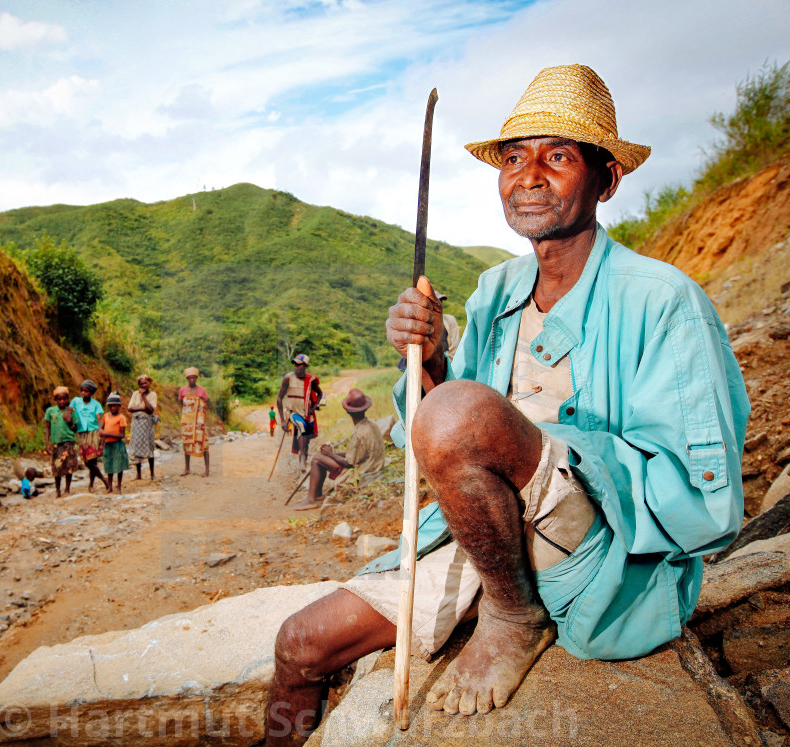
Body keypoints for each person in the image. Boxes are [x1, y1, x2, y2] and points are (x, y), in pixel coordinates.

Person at [265, 64, 749, 744]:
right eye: (514, 158)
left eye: (559, 156)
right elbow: (433, 437)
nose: (529, 175)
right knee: (299, 644)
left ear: (606, 179)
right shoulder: (496, 291)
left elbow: (709, 507)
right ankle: (502, 595)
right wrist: (429, 358)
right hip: (488, 541)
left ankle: (516, 617)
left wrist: (549, 454)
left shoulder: (665, 303)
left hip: (597, 552)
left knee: (464, 411)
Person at [292, 388, 385, 511]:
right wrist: (331, 454)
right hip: (372, 467)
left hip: (362, 472)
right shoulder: (372, 425)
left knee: (316, 459)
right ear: (365, 408)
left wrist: (329, 454)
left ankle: (311, 499)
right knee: (322, 457)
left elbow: (349, 463)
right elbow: (357, 453)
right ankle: (317, 494)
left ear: (348, 412)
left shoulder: (359, 433)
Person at [277, 354, 322, 471]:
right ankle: (302, 457)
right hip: (293, 412)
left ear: (305, 366)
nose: (296, 367)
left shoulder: (311, 380)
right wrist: (282, 421)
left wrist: (314, 407)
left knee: (306, 440)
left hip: (307, 413)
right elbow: (279, 398)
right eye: (295, 364)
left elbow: (320, 394)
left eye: (299, 364)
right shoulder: (288, 378)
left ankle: (304, 457)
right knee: (301, 426)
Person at [71, 380, 111, 493]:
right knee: (89, 461)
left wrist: (101, 430)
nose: (83, 393)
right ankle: (91, 485)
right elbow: (70, 412)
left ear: (91, 393)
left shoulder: (96, 404)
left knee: (90, 460)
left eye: (86, 391)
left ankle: (104, 481)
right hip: (81, 432)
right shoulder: (76, 401)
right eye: (82, 391)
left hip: (93, 433)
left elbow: (99, 418)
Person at [43, 385, 81, 497]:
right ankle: (58, 490)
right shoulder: (50, 411)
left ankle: (67, 490)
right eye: (59, 399)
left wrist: (69, 422)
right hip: (56, 443)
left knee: (69, 466)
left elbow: (76, 429)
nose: (62, 401)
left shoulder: (71, 411)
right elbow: (47, 427)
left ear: (67, 399)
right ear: (55, 400)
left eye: (64, 399)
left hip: (69, 441)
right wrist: (47, 443)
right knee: (57, 467)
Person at [177, 367, 210, 476]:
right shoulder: (182, 390)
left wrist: (201, 417)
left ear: (197, 378)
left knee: (203, 443)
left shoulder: (202, 390)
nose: (192, 380)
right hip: (187, 420)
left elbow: (205, 404)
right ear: (187, 378)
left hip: (200, 421)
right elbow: (182, 404)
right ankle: (187, 469)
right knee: (187, 442)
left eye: (194, 377)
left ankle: (207, 470)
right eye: (189, 378)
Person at [127, 375, 158, 481]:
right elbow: (130, 408)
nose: (144, 385)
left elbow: (150, 410)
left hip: (147, 423)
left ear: (149, 383)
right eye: (141, 384)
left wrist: (144, 397)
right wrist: (143, 408)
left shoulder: (153, 395)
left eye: (146, 383)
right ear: (139, 385)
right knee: (136, 446)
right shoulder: (135, 394)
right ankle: (138, 474)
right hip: (136, 423)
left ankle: (152, 474)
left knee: (149, 446)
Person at [100, 391, 130, 493]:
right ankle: (110, 487)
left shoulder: (121, 418)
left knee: (118, 465)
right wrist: (101, 433)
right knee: (109, 465)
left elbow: (122, 435)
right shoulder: (106, 416)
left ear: (119, 406)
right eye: (110, 406)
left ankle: (119, 486)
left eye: (114, 406)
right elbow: (102, 428)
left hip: (117, 445)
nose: (112, 408)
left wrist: (107, 434)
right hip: (108, 444)